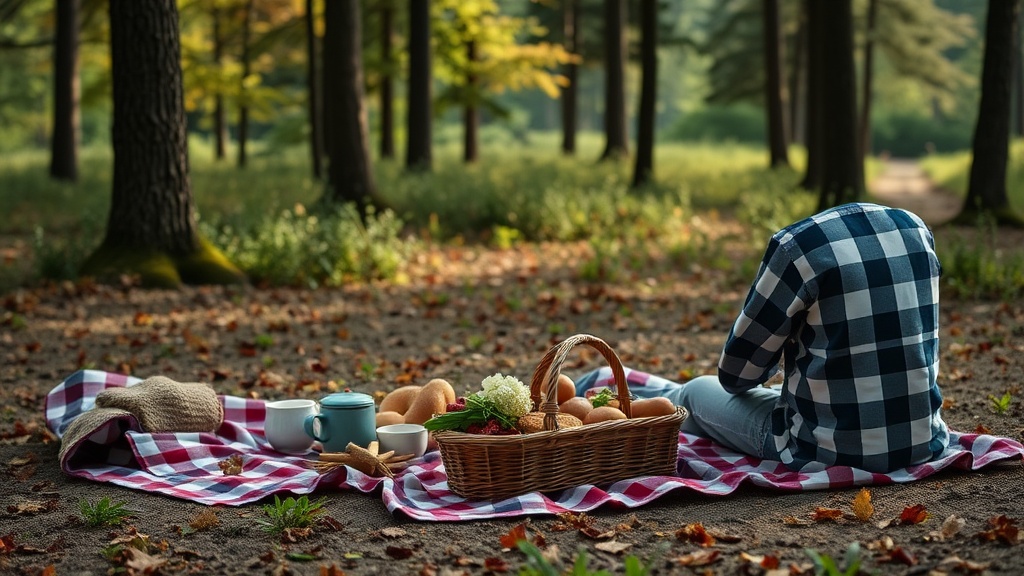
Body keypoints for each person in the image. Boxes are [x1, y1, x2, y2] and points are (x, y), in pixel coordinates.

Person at [575, 202, 950, 473]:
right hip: (923, 442)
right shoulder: (916, 231)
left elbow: (736, 376)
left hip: (823, 449)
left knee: (695, 392)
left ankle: (599, 393)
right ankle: (620, 391)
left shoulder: (797, 249)